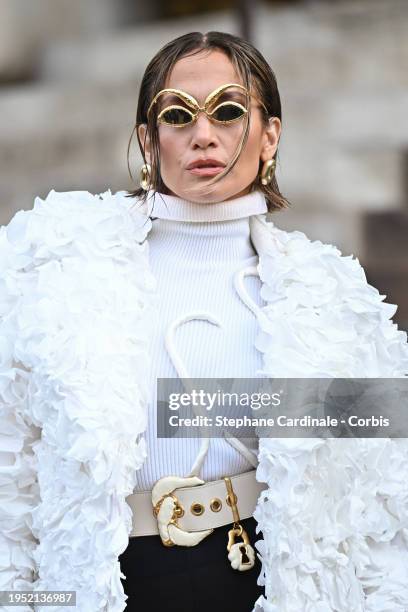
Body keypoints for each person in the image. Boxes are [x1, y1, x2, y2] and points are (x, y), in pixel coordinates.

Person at [1, 31, 408, 612]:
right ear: (148, 138)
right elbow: (11, 467)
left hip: (271, 575)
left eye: (229, 110)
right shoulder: (58, 269)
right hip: (110, 581)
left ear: (270, 135)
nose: (203, 134)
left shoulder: (329, 292)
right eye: (177, 114)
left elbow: (386, 482)